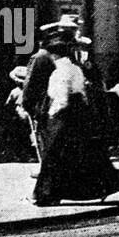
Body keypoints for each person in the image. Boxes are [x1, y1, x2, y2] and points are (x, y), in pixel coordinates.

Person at [32, 40, 119, 206]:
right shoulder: (76, 68)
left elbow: (62, 98)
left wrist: (50, 114)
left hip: (63, 117)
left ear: (55, 55)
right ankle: (97, 189)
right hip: (79, 115)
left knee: (54, 154)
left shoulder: (60, 72)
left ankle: (48, 194)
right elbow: (83, 92)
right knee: (82, 153)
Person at [21, 16, 80, 162]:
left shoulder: (41, 57)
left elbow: (29, 85)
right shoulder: (66, 56)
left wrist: (27, 105)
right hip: (52, 104)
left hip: (47, 105)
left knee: (48, 138)